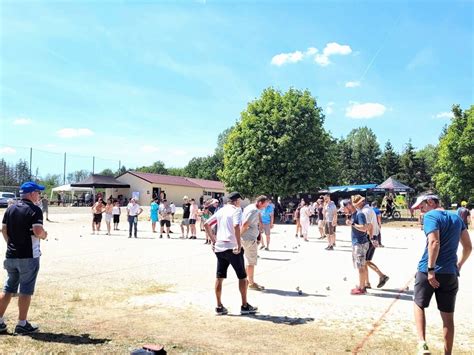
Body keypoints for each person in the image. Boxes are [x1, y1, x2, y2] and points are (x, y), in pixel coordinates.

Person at [410, 193, 472, 354]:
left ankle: (422, 343)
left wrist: (431, 270)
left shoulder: (431, 216)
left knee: (418, 304)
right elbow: (468, 247)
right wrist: (459, 265)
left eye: (422, 206)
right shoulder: (457, 218)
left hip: (428, 270)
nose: (421, 211)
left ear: (430, 202)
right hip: (450, 273)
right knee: (448, 317)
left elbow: (434, 242)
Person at [0, 181, 48, 335]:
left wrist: (10, 244)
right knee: (25, 290)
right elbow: (37, 230)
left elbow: (3, 229)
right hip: (28, 255)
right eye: (38, 193)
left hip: (11, 254)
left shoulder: (10, 208)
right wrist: (45, 235)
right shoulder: (35, 210)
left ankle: (0, 321)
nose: (39, 195)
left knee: (8, 288)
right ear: (32, 193)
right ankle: (22, 323)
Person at [204, 192, 257, 316]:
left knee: (219, 277)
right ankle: (244, 305)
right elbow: (236, 225)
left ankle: (219, 306)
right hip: (232, 247)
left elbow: (206, 224)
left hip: (220, 247)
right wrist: (238, 244)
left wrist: (213, 240)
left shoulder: (221, 210)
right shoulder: (236, 210)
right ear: (237, 200)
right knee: (242, 277)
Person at [340, 196, 369, 295]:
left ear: (348, 205)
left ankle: (362, 288)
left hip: (360, 243)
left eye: (344, 208)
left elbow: (364, 228)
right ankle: (362, 285)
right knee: (361, 265)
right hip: (357, 242)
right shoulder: (353, 214)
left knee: (360, 267)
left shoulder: (359, 214)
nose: (343, 210)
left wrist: (352, 224)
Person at [241, 195, 269, 291]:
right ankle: (251, 283)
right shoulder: (254, 210)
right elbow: (245, 224)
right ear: (260, 203)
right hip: (249, 239)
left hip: (246, 238)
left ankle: (245, 280)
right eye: (264, 206)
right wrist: (238, 235)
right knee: (251, 262)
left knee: (249, 260)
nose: (264, 208)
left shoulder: (250, 207)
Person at [359, 199, 389, 289]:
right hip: (374, 236)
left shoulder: (365, 211)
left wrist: (370, 237)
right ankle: (367, 283)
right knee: (365, 261)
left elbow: (368, 226)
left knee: (365, 261)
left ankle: (382, 275)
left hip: (369, 237)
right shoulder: (370, 209)